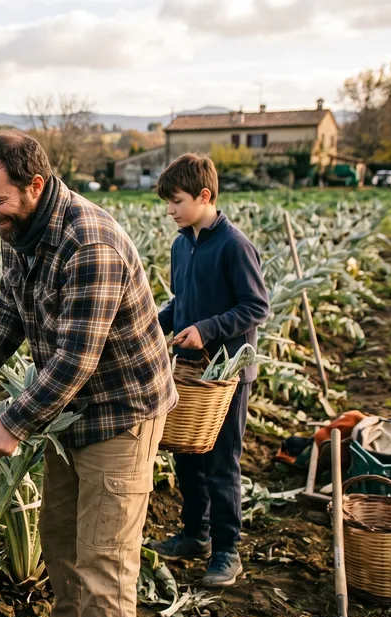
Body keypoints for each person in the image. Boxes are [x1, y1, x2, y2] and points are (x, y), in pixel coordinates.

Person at [0, 131, 176, 617]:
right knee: (60, 537)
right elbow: (9, 306)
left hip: (120, 413)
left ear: (35, 185)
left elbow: (77, 358)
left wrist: (12, 423)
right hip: (66, 410)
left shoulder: (89, 242)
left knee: (105, 556)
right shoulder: (20, 227)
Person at [147, 154, 269, 587]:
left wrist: (207, 328)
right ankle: (194, 534)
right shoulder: (183, 244)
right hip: (190, 374)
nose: (171, 210)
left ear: (204, 195)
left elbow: (256, 307)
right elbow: (182, 303)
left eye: (177, 201)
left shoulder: (235, 246)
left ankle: (226, 551)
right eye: (167, 203)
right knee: (186, 457)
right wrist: (151, 326)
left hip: (226, 377)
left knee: (221, 463)